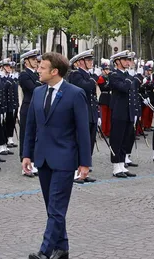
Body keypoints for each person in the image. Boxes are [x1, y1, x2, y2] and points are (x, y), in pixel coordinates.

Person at [22, 52, 91, 259]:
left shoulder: (75, 93)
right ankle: (63, 249)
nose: (38, 70)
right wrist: (27, 155)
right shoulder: (37, 93)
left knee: (56, 208)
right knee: (52, 208)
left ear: (55, 72)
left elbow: (82, 130)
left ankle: (45, 252)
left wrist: (84, 163)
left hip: (64, 159)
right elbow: (30, 127)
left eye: (42, 68)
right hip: (42, 158)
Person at [66, 50, 98, 183]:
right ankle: (75, 171)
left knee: (88, 143)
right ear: (80, 62)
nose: (91, 62)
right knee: (78, 143)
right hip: (80, 114)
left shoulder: (88, 75)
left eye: (91, 60)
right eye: (88, 60)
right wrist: (93, 80)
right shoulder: (76, 75)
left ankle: (84, 169)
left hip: (90, 114)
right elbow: (85, 87)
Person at [107, 51, 137, 178]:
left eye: (128, 60)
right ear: (117, 62)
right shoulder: (114, 75)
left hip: (128, 111)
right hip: (119, 111)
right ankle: (116, 166)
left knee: (126, 138)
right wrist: (130, 79)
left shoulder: (126, 75)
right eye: (124, 60)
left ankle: (122, 164)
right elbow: (124, 88)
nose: (127, 62)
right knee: (117, 139)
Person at [19, 49, 43, 177]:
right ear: (26, 61)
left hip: (35, 107)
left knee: (35, 135)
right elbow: (34, 89)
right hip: (27, 107)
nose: (36, 62)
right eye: (33, 59)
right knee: (26, 135)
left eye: (36, 59)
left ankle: (33, 162)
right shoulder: (24, 75)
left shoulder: (35, 74)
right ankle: (25, 164)